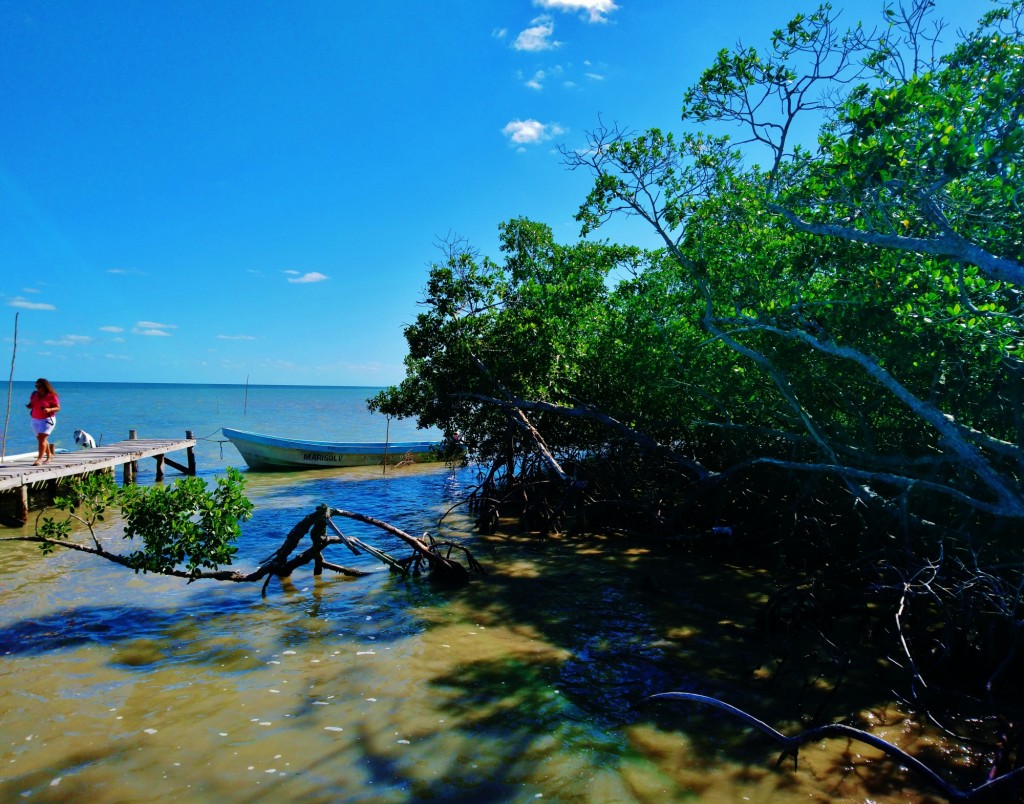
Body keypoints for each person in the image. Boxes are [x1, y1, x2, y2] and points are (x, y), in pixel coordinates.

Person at [26, 378, 60, 465]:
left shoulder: (52, 395)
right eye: (36, 386)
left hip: (47, 420)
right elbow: (32, 404)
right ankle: (49, 456)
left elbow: (58, 408)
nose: (37, 388)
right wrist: (29, 406)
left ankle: (39, 459)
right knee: (41, 439)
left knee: (42, 439)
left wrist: (49, 409)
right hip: (35, 419)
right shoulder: (34, 394)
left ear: (45, 386)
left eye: (39, 386)